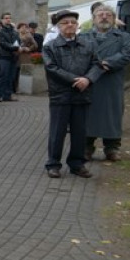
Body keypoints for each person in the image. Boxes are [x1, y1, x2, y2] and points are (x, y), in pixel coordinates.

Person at [42, 10, 103, 179]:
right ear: (58, 26)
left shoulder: (88, 44)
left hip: (82, 94)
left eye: (73, 22)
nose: (70, 25)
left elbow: (97, 65)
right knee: (57, 131)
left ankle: (77, 164)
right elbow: (52, 68)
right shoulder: (50, 47)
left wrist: (88, 79)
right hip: (60, 95)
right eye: (65, 22)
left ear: (77, 26)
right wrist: (76, 80)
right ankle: (53, 164)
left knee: (80, 131)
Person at [81, 4, 130, 162]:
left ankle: (112, 147)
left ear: (113, 19)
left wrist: (107, 63)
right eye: (100, 14)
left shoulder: (124, 37)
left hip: (111, 81)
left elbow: (127, 54)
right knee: (87, 115)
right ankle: (86, 147)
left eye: (108, 15)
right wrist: (96, 67)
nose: (104, 17)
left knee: (112, 114)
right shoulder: (83, 37)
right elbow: (78, 55)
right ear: (94, 19)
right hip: (89, 82)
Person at [0, 12, 21, 102]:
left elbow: (18, 40)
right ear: (2, 20)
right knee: (3, 75)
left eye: (9, 18)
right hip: (4, 56)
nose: (8, 19)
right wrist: (14, 47)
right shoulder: (0, 31)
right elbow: (2, 43)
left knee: (11, 76)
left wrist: (19, 46)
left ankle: (7, 95)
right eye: (6, 18)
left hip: (13, 56)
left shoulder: (14, 31)